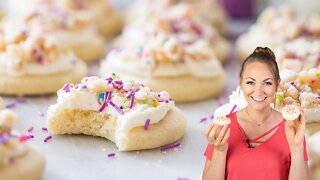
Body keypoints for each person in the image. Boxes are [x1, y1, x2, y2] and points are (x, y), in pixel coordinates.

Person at [202, 47, 309, 180]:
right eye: (251, 82)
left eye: (267, 83)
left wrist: (297, 148)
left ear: (277, 85)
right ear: (240, 82)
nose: (258, 92)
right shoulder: (223, 128)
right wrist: (219, 151)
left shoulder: (292, 129)